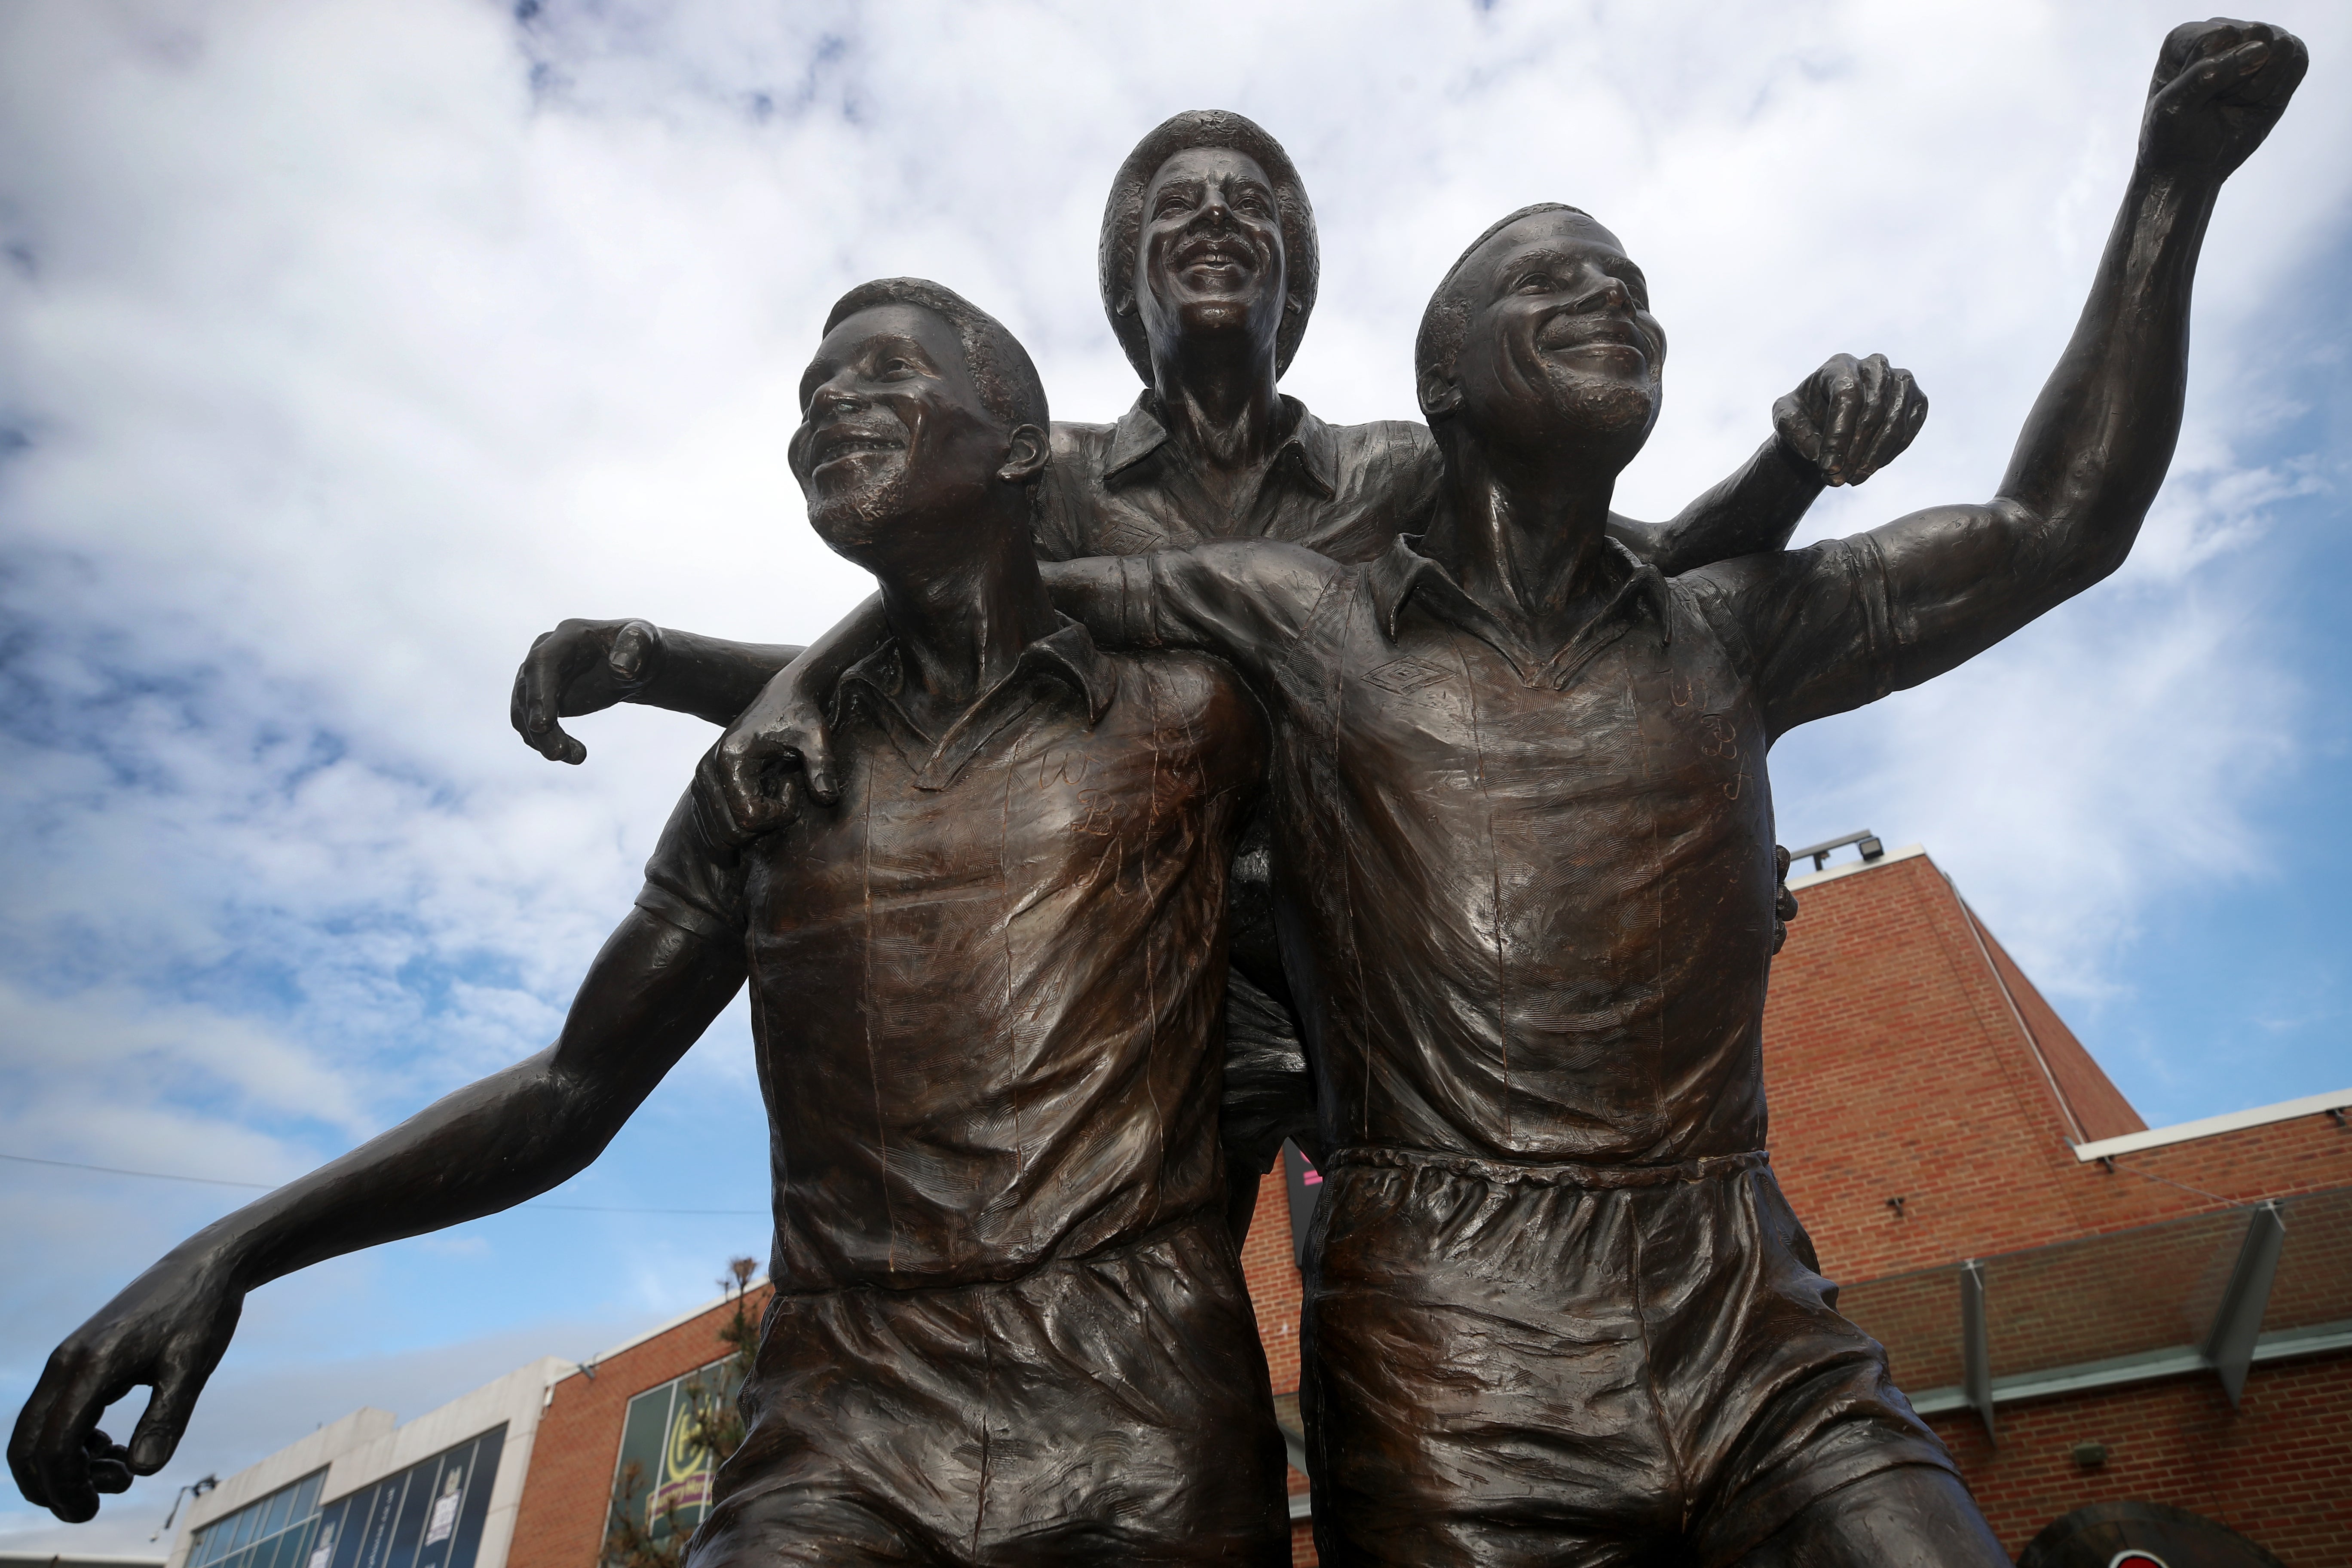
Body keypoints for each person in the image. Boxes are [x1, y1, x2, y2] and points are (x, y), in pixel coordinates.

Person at [703, 21, 2305, 1565]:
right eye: (1555, 284)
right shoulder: (1223, 574)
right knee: (1157, 1317)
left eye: (1631, 287)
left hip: (1655, 1223)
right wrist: (767, 683)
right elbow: (970, 586)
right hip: (1264, 1102)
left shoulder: (1497, 526)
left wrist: (2170, 184)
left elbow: (1996, 526)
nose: (1613, 298)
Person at [13, 279, 1294, 1565]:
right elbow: (574, 1086)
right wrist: (231, 1250)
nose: (832, 407)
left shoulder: (1193, 719)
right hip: (844, 1430)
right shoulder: (764, 782)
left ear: (1020, 447)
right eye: (812, 396)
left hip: (1138, 1421)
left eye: (888, 376)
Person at [511, 109, 1923, 1215]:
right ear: (1128, 281)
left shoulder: (1402, 467)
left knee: (1402, 1263)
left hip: (1372, 949)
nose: (1215, 223)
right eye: (1177, 208)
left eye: (1249, 208)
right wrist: (667, 660)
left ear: (1292, 276)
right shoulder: (1044, 477)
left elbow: (1656, 563)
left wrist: (1792, 465)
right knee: (1168, 1322)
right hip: (1149, 969)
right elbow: (919, 642)